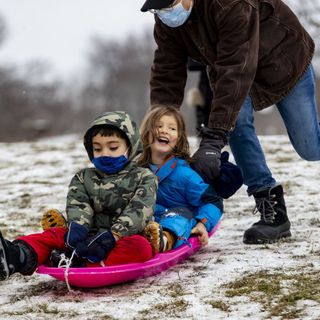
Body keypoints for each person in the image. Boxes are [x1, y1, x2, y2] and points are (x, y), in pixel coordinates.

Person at [140, 0, 319, 244]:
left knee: (310, 148)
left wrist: (213, 139)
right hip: (230, 72)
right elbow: (166, 72)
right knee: (236, 124)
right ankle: (272, 210)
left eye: (169, 5)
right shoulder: (167, 21)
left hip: (283, 62)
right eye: (157, 9)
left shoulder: (230, 3)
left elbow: (237, 67)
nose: (164, 13)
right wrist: (156, 127)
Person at [0, 111, 157, 281]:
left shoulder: (144, 177)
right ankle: (16, 256)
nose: (105, 153)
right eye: (97, 148)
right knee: (54, 235)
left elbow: (140, 209)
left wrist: (115, 235)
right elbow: (79, 204)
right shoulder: (83, 177)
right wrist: (78, 229)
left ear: (130, 147)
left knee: (140, 247)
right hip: (86, 236)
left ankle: (81, 265)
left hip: (120, 239)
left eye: (113, 147)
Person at [138, 106, 242, 253]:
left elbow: (212, 201)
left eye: (172, 128)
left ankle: (164, 240)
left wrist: (202, 223)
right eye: (158, 126)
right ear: (147, 133)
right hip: (149, 218)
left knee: (178, 218)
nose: (164, 130)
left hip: (178, 217)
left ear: (179, 138)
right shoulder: (137, 171)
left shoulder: (185, 175)